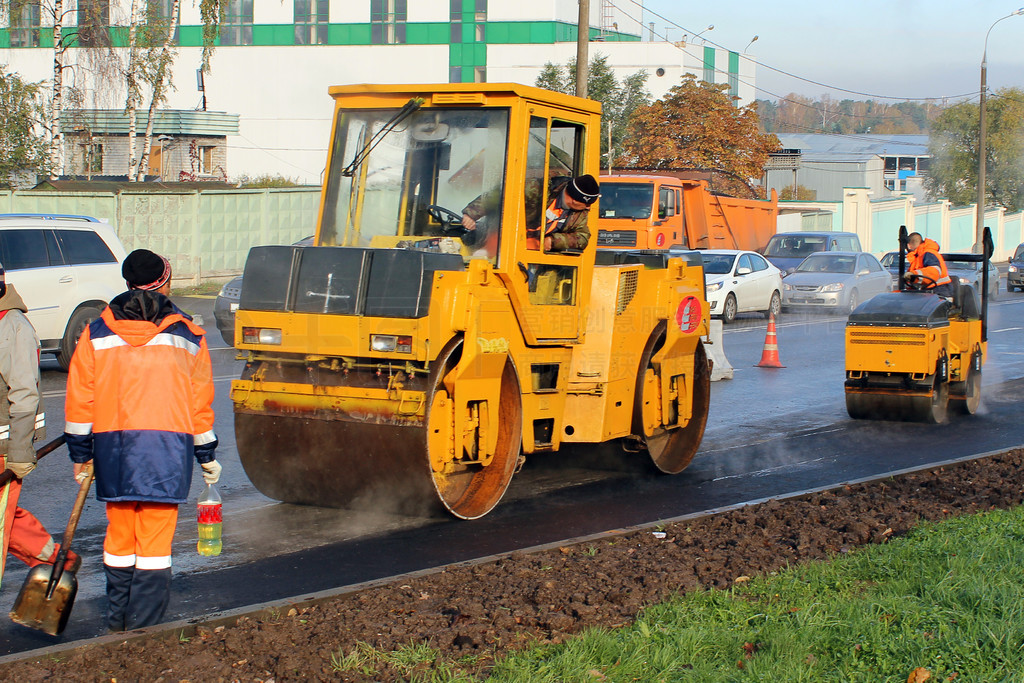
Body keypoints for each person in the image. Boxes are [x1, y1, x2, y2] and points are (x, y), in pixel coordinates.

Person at [64, 249, 221, 632]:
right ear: (165, 281)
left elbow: (80, 398)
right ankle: (144, 628)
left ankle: (117, 620)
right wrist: (206, 454)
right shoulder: (187, 333)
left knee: (119, 535)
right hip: (166, 450)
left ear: (127, 283)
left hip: (115, 448)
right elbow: (199, 402)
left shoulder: (96, 331)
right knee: (154, 540)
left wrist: (81, 454)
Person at [0, 263, 81, 587]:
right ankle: (52, 558)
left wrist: (20, 450)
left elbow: (24, 392)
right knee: (7, 516)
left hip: (3, 447)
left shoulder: (13, 326)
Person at [462, 174, 600, 253]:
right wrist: (472, 214)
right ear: (574, 200)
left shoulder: (579, 213)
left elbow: (582, 237)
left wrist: (553, 241)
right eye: (587, 204)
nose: (588, 208)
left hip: (534, 254)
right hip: (503, 242)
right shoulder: (536, 189)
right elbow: (499, 195)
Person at [904, 232, 954, 297]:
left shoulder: (928, 253)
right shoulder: (919, 256)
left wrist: (914, 276)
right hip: (932, 291)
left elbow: (934, 272)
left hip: (940, 291)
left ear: (908, 245)